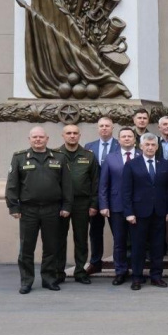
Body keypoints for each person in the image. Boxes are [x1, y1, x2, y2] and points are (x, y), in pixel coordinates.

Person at [6, 127, 73, 294]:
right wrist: (13, 206)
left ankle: (49, 279)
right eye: (34, 137)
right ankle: (26, 281)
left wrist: (67, 206)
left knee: (51, 247)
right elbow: (12, 185)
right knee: (26, 248)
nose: (37, 140)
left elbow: (67, 185)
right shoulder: (19, 158)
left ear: (47, 139)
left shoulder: (59, 157)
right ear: (29, 139)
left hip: (53, 209)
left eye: (41, 137)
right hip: (28, 210)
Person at [122, 133, 168, 290]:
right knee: (138, 247)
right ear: (141, 146)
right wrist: (129, 212)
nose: (150, 147)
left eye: (153, 145)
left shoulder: (165, 164)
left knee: (158, 246)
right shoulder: (132, 165)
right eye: (147, 145)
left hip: (159, 212)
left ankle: (156, 276)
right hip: (138, 213)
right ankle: (137, 277)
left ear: (157, 147)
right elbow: (126, 191)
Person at [56, 123, 99, 286]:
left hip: (82, 203)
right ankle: (59, 271)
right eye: (69, 133)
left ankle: (80, 271)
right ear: (63, 135)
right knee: (59, 239)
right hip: (61, 204)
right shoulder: (55, 154)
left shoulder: (88, 155)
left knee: (81, 239)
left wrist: (94, 204)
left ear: (79, 136)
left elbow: (95, 181)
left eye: (75, 133)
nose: (72, 136)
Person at [99, 127, 138, 285]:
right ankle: (120, 271)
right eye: (124, 136)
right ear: (119, 140)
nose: (127, 139)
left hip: (138, 206)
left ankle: (137, 270)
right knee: (119, 241)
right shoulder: (110, 158)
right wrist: (103, 204)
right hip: (116, 206)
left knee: (137, 241)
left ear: (135, 139)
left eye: (130, 136)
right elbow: (104, 184)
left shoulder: (142, 155)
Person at [85, 115, 119, 275]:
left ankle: (121, 263)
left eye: (107, 126)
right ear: (98, 128)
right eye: (101, 126)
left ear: (113, 128)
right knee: (95, 231)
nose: (104, 128)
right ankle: (95, 262)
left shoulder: (120, 146)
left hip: (114, 195)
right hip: (95, 196)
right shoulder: (89, 146)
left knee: (119, 232)